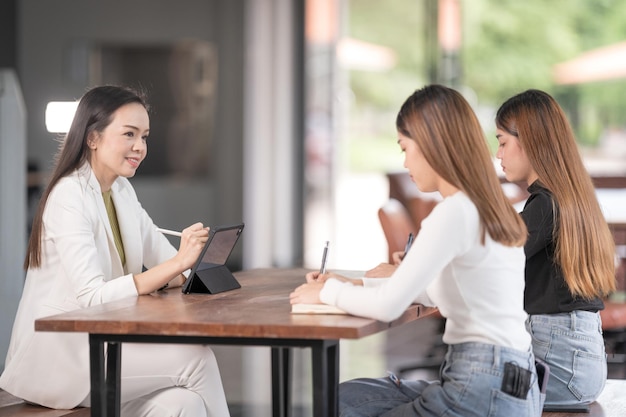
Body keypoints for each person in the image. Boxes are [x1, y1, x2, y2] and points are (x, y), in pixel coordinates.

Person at [290, 84, 543, 417]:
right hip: (509, 382)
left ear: (431, 145)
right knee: (344, 398)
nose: (405, 161)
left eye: (405, 147)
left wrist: (327, 293)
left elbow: (389, 305)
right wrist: (352, 285)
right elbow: (439, 291)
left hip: (481, 388)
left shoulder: (454, 212)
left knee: (334, 405)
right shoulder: (489, 208)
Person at [0, 85, 230, 416]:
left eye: (145, 136)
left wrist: (187, 262)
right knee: (197, 359)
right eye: (129, 134)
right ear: (92, 138)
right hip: (61, 358)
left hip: (104, 346)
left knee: (184, 403)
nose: (140, 146)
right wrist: (177, 264)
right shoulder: (69, 197)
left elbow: (170, 265)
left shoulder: (121, 190)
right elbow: (93, 297)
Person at [495, 89, 616, 408]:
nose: (498, 154)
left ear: (531, 141)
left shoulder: (545, 205)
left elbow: (493, 261)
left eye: (502, 142)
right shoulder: (565, 197)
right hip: (576, 365)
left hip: (563, 368)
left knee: (461, 391)